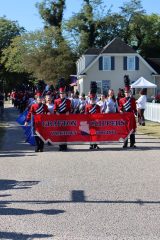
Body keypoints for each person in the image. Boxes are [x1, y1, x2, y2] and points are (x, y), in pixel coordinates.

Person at [119, 75, 137, 148]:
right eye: (126, 92)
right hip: (125, 116)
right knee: (125, 130)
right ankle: (125, 143)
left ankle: (132, 143)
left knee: (132, 130)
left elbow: (134, 108)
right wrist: (120, 111)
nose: (127, 93)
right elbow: (120, 108)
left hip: (131, 116)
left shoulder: (132, 100)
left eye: (128, 92)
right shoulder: (121, 100)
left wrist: (136, 113)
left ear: (130, 92)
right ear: (124, 92)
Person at [54, 78, 71, 151]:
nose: (62, 94)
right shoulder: (56, 101)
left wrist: (68, 112)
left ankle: (65, 146)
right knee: (60, 132)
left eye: (63, 93)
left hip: (66, 117)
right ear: (59, 93)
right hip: (59, 117)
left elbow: (70, 109)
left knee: (65, 132)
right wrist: (56, 112)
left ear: (65, 93)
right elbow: (55, 109)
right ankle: (60, 146)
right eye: (61, 93)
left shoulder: (68, 101)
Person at [85, 82, 101, 150]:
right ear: (90, 99)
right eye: (92, 99)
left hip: (96, 121)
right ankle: (91, 145)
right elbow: (86, 114)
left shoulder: (98, 106)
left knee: (96, 133)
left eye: (94, 99)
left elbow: (99, 114)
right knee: (91, 133)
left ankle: (95, 144)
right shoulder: (87, 106)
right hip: (90, 121)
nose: (93, 100)